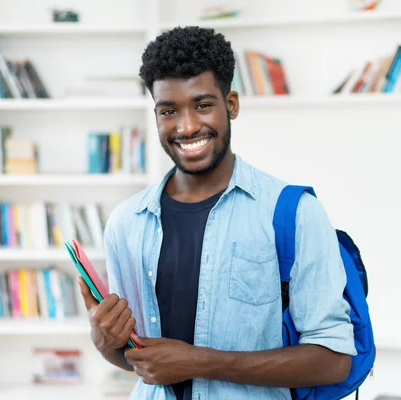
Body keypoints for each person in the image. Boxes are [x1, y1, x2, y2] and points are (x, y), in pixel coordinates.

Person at [77, 25, 356, 400]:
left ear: (232, 105)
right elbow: (138, 359)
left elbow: (334, 360)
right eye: (169, 111)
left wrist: (199, 361)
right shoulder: (126, 223)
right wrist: (103, 338)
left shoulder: (293, 213)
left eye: (203, 105)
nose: (187, 126)